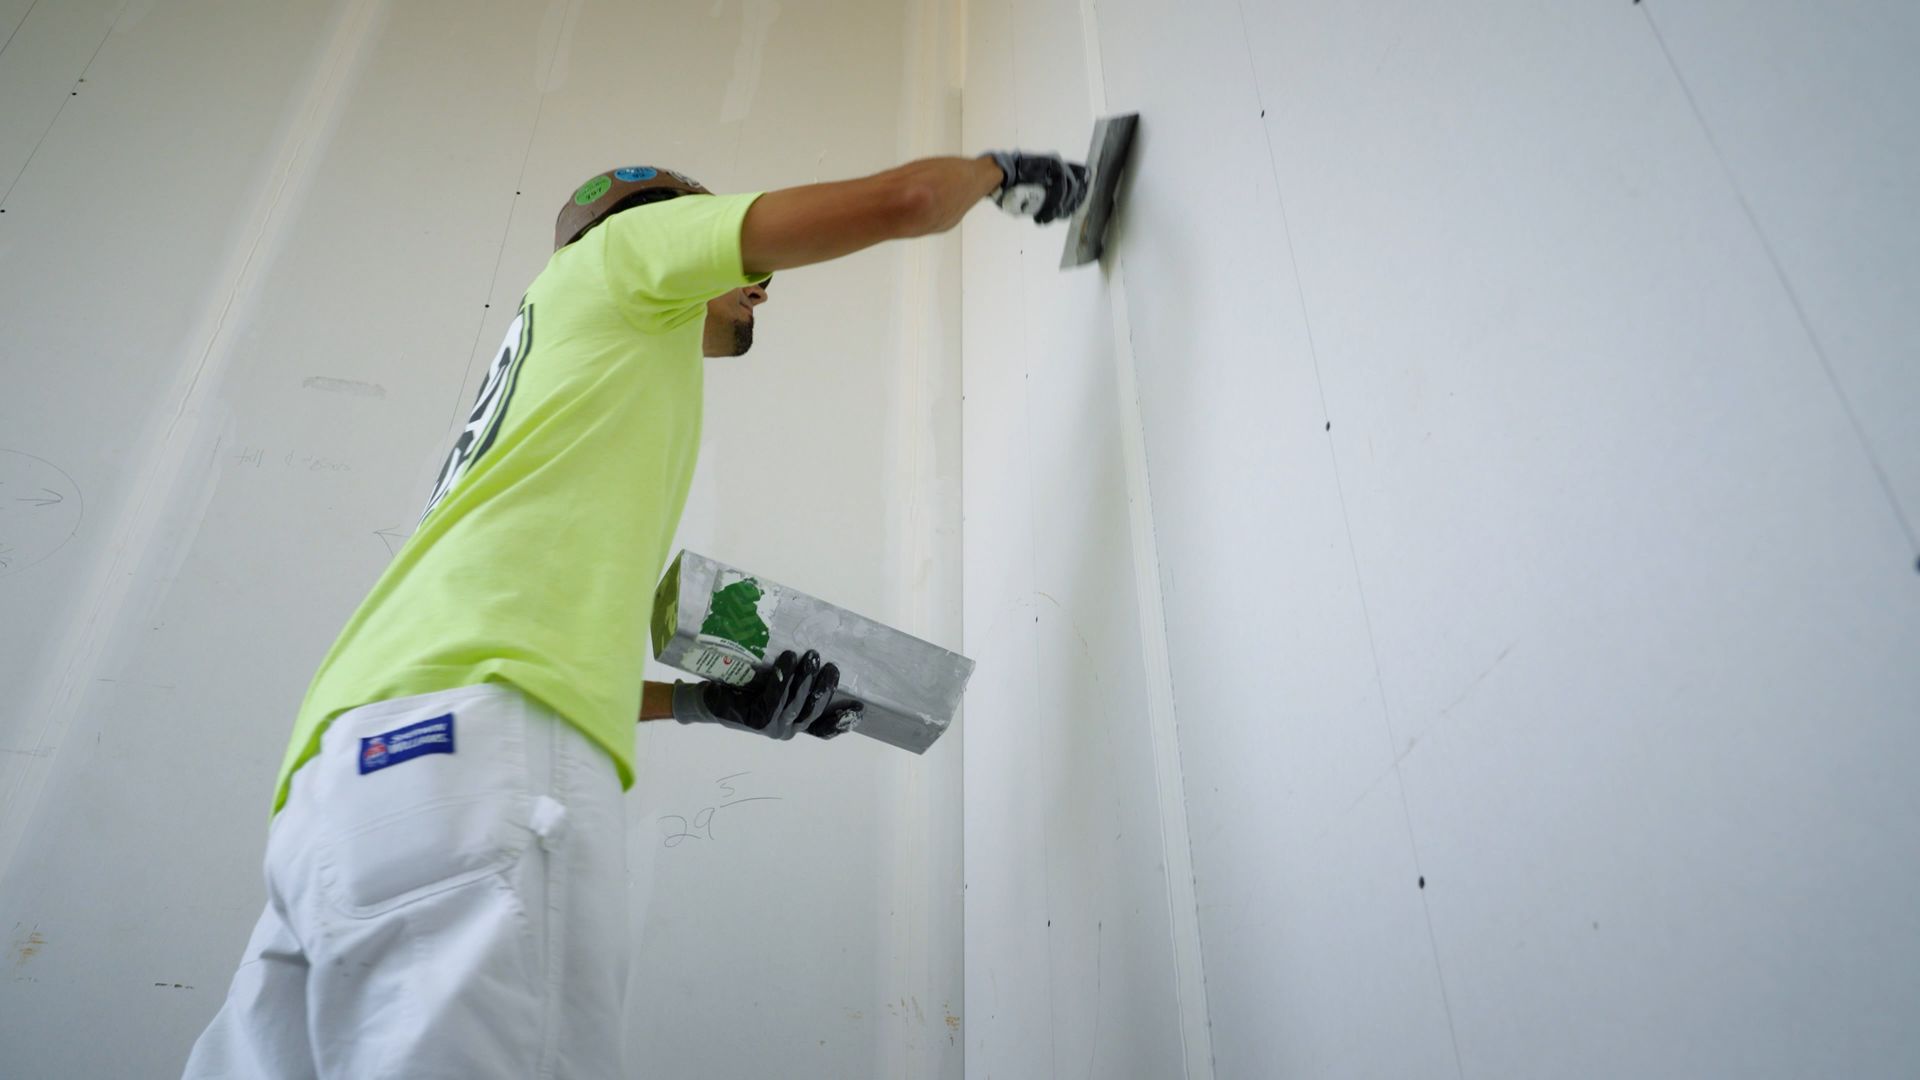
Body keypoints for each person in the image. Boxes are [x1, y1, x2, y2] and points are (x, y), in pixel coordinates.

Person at [181, 148, 1089, 1078]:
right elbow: (903, 202)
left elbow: (528, 656)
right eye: (749, 269)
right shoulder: (625, 253)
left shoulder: (549, 394)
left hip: (342, 790)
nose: (761, 290)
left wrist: (706, 705)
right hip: (479, 773)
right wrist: (1000, 172)